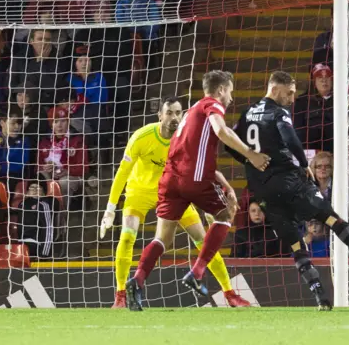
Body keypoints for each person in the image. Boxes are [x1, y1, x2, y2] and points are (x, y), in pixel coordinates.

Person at [227, 71, 349, 310]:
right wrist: (303, 163)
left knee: (296, 244)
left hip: (263, 190)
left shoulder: (247, 113)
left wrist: (249, 158)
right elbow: (289, 137)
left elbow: (230, 143)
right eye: (289, 93)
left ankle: (320, 297)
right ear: (275, 89)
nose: (291, 99)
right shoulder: (278, 112)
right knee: (330, 218)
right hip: (289, 182)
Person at [124, 71, 270, 311]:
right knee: (226, 214)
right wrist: (251, 155)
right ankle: (198, 272)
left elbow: (191, 153)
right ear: (221, 89)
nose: (231, 98)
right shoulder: (211, 105)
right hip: (194, 179)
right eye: (230, 91)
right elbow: (222, 131)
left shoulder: (190, 112)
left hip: (170, 179)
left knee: (163, 238)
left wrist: (223, 181)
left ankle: (138, 279)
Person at [99, 97, 252, 308]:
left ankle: (229, 293)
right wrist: (110, 208)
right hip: (140, 192)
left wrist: (218, 191)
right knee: (127, 237)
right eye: (169, 113)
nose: (174, 118)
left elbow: (204, 166)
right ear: (159, 115)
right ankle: (120, 295)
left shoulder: (185, 137)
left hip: (173, 191)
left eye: (178, 113)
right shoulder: (142, 137)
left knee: (202, 239)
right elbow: (123, 172)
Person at [293, 64, 334, 152]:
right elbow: (297, 128)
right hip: (309, 148)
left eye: (327, 78)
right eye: (320, 78)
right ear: (314, 82)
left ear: (332, 80)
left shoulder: (340, 100)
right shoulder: (302, 101)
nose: (324, 81)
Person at [17, 181, 62, 259]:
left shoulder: (48, 202)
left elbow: (48, 227)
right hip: (21, 244)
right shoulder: (23, 204)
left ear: (43, 192)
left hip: (37, 245)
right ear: (27, 192)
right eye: (32, 188)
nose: (35, 190)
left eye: (38, 188)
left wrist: (44, 253)